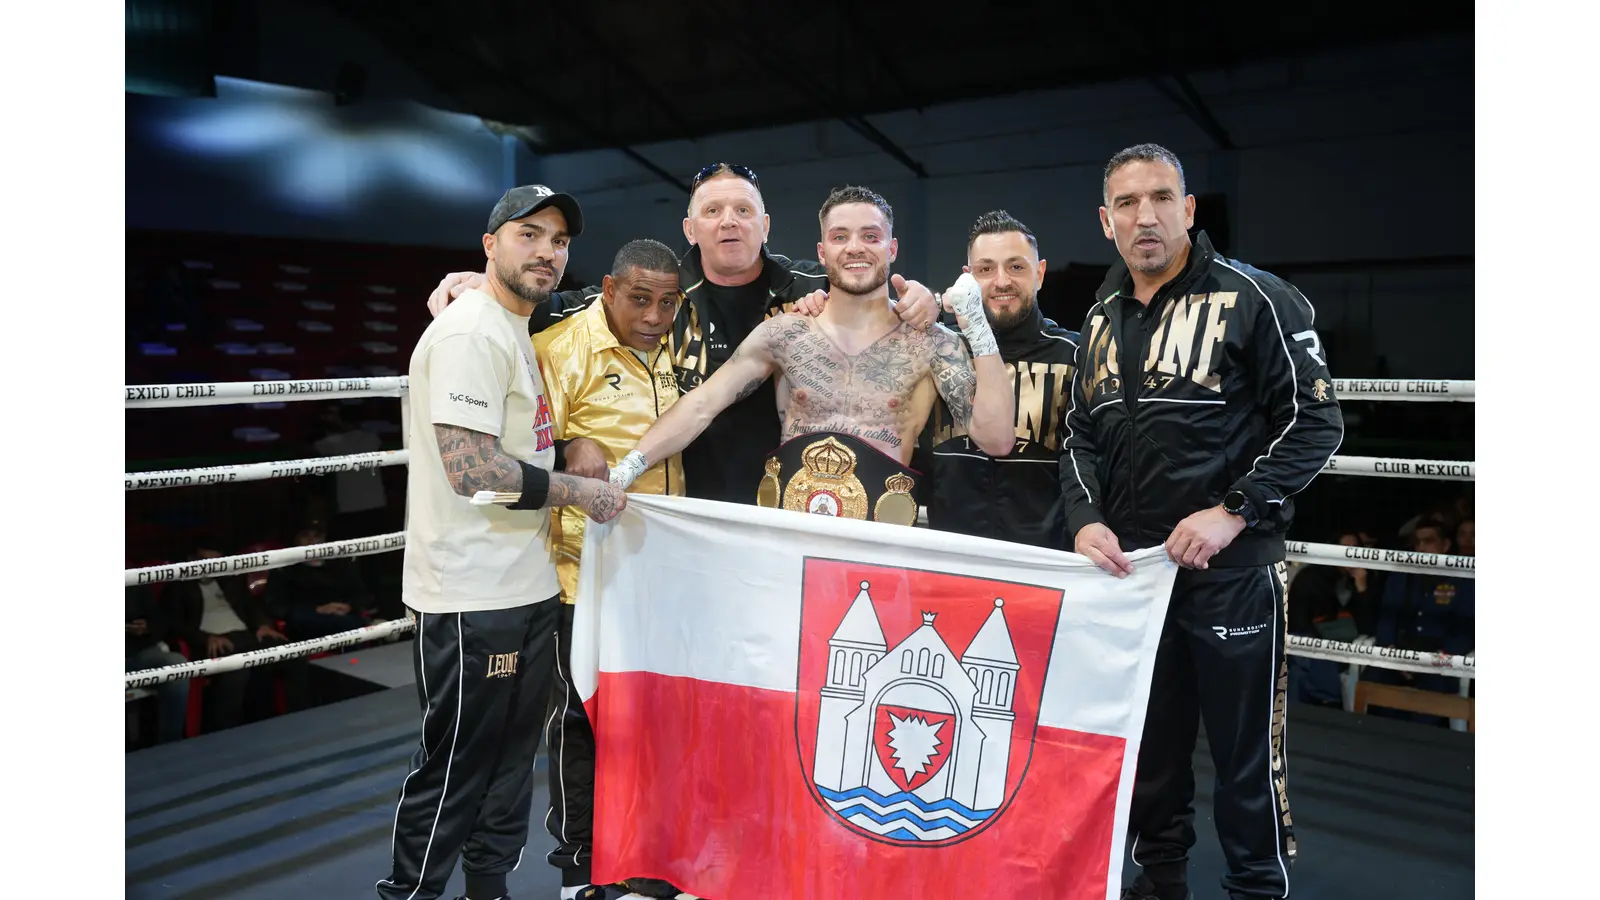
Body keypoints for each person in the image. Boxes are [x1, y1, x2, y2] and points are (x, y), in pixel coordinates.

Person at [1058, 144, 1343, 900]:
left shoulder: (1257, 297)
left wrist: (1233, 512)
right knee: (1152, 746)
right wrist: (1085, 519)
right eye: (1126, 202)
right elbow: (1080, 432)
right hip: (1139, 577)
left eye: (1160, 197)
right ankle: (1163, 878)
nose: (1144, 215)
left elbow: (1316, 425)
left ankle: (1255, 886)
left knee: (1246, 755)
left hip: (1234, 574)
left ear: (1188, 209)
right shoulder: (1100, 314)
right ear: (1105, 220)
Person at [423, 163, 942, 507]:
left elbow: (879, 302)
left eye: (743, 211)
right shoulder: (661, 291)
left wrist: (925, 299)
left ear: (765, 225)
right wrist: (485, 284)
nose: (728, 223)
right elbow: (558, 310)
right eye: (712, 212)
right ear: (691, 230)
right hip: (683, 506)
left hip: (802, 504)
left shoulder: (815, 285)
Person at [379, 185, 627, 900]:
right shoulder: (470, 333)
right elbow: (473, 474)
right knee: (457, 766)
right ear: (489, 245)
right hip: (468, 594)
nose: (547, 251)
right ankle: (410, 893)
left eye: (558, 240)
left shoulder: (514, 323)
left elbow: (522, 443)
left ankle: (488, 892)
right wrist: (583, 494)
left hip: (525, 583)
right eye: (529, 235)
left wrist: (573, 445)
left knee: (514, 764)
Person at [609, 185, 1015, 523]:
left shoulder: (931, 341)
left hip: (881, 541)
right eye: (840, 237)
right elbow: (701, 405)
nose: (855, 248)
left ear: (892, 248)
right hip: (790, 538)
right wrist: (627, 468)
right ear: (822, 252)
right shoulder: (784, 335)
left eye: (870, 236)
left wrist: (977, 328)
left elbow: (996, 440)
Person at [528, 238, 691, 900]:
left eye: (667, 301)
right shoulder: (561, 348)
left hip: (671, 571)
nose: (653, 315)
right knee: (578, 716)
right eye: (639, 298)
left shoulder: (687, 348)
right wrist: (571, 440)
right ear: (608, 288)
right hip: (581, 570)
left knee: (661, 717)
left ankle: (656, 853)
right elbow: (519, 450)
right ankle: (579, 867)